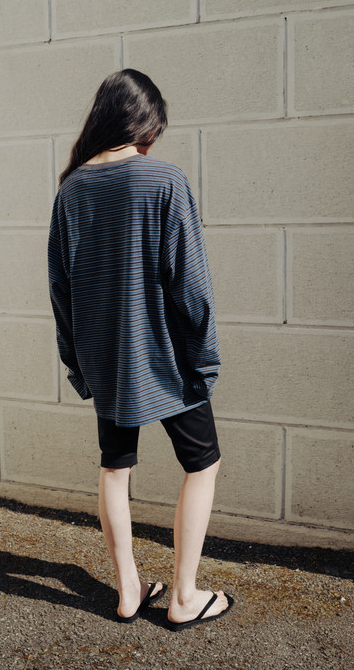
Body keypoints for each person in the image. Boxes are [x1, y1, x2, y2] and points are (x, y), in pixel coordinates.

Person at [48, 69, 234, 631]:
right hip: (167, 359)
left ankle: (129, 589)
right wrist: (204, 357)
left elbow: (61, 289)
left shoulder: (71, 189)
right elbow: (191, 285)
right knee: (203, 463)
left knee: (114, 468)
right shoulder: (165, 180)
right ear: (145, 124)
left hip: (106, 360)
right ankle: (183, 595)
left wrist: (77, 363)